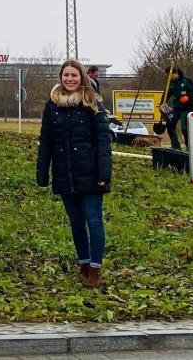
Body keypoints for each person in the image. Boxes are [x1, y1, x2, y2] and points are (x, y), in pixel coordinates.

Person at [36, 59, 112, 288]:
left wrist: (103, 174)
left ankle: (96, 271)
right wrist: (42, 173)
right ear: (61, 78)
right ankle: (84, 263)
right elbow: (46, 141)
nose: (69, 79)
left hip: (90, 174)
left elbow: (103, 143)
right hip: (64, 173)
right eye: (66, 75)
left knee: (94, 220)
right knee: (76, 222)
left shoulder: (93, 104)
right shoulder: (52, 106)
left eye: (74, 75)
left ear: (82, 78)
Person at [165, 68, 193, 150]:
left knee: (184, 128)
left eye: (171, 75)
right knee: (170, 125)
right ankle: (176, 146)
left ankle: (189, 148)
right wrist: (162, 103)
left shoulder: (187, 81)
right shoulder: (171, 83)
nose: (170, 77)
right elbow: (167, 94)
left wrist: (188, 97)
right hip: (177, 107)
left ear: (176, 73)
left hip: (188, 107)